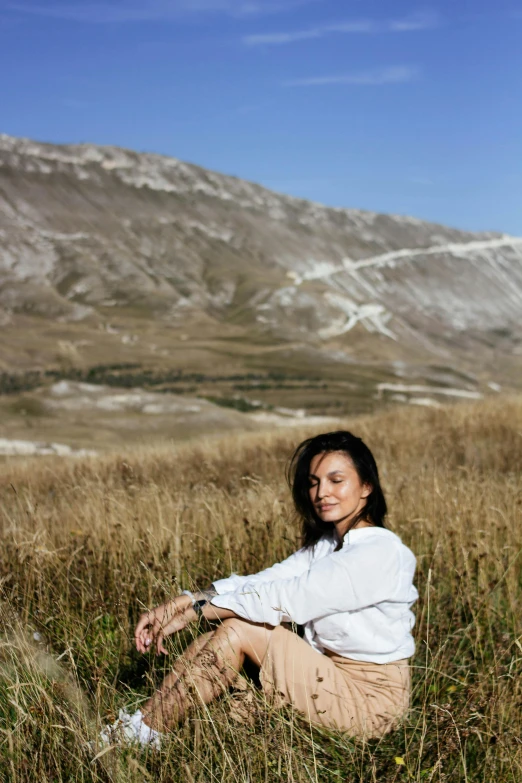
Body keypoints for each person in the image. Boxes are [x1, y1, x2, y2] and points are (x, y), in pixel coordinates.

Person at [100, 431, 418, 748]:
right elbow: (263, 582)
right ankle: (139, 727)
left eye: (336, 480)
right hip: (330, 676)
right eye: (313, 482)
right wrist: (182, 602)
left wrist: (195, 614)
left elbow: (287, 599)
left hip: (370, 702)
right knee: (216, 636)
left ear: (366, 487)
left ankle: (142, 736)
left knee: (241, 629)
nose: (322, 492)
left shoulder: (380, 552)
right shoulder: (327, 546)